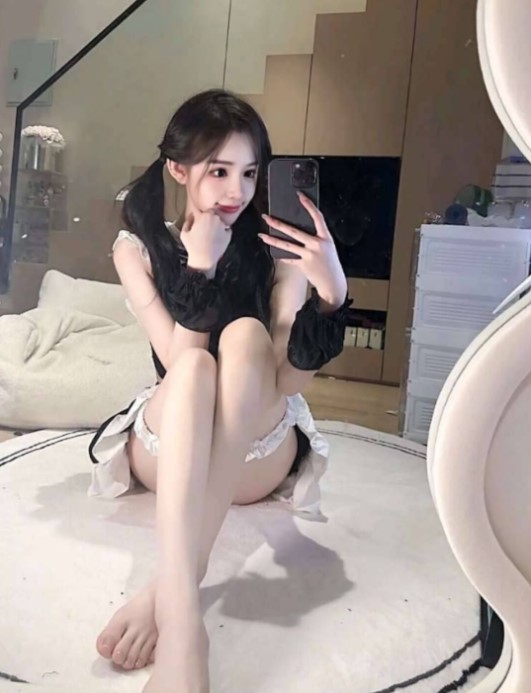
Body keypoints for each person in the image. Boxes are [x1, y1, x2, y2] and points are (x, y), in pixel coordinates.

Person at [87, 88, 352, 692]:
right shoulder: (138, 248)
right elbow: (178, 362)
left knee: (247, 337)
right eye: (219, 171)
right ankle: (186, 627)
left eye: (250, 173)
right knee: (198, 369)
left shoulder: (279, 251)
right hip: (171, 439)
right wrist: (199, 266)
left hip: (255, 451)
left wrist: (330, 297)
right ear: (178, 170)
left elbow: (286, 381)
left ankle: (170, 596)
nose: (237, 191)